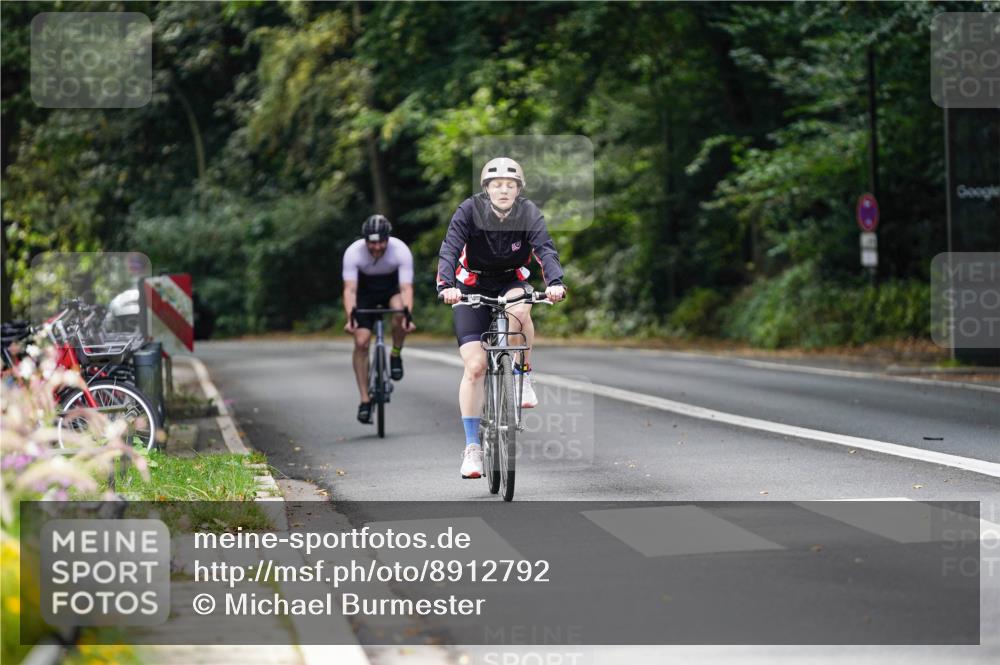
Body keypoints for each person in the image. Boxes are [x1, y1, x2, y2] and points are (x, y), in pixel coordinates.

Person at [437, 157, 566, 478]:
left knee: (521, 306)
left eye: (510, 185)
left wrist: (555, 282)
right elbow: (450, 248)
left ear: (518, 189)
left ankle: (522, 374)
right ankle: (472, 448)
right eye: (497, 185)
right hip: (470, 286)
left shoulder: (528, 213)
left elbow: (544, 249)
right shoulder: (469, 210)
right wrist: (446, 285)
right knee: (476, 366)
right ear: (487, 189)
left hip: (510, 280)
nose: (504, 190)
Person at [343, 214, 416, 424]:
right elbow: (349, 289)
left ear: (388, 238)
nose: (376, 247)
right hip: (364, 293)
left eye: (381, 242)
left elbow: (405, 288)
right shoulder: (353, 253)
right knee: (362, 342)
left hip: (390, 289)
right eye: (372, 243)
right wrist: (351, 317)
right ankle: (365, 400)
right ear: (365, 240)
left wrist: (408, 316)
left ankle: (395, 353)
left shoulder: (400, 250)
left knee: (401, 313)